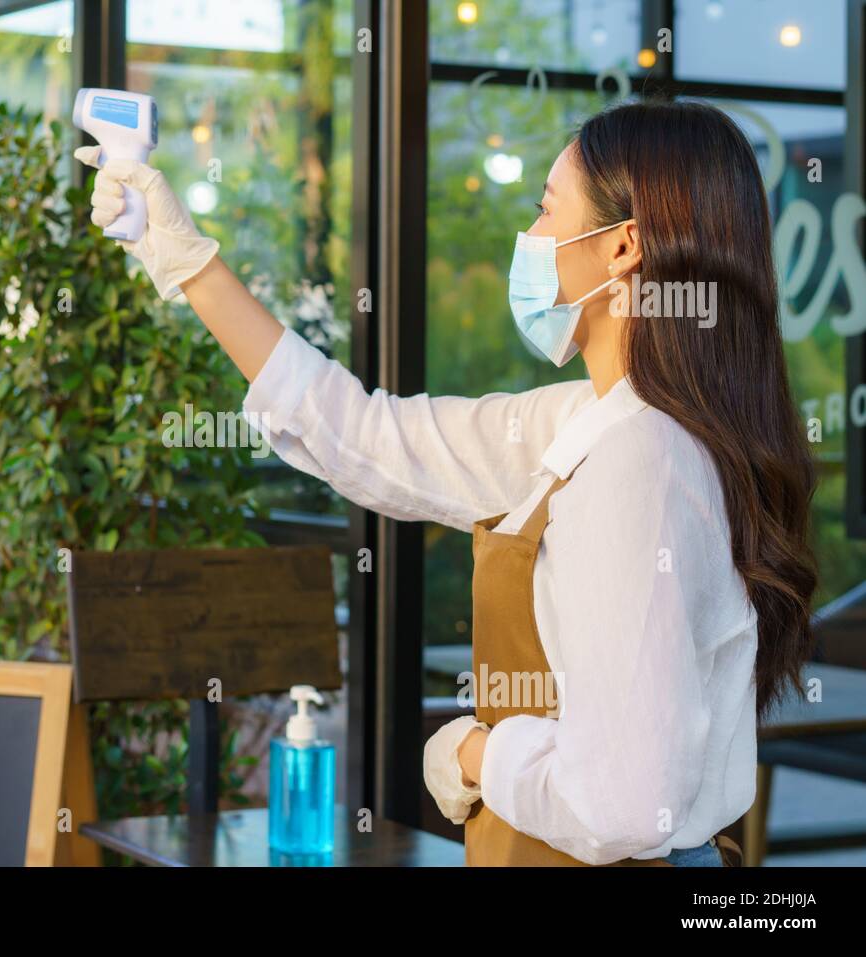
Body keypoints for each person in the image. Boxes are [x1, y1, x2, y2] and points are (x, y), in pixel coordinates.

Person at [74, 98, 818, 867]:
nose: (527, 240)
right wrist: (190, 262)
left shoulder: (641, 462)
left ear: (624, 247)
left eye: (544, 211)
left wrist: (476, 751)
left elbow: (625, 802)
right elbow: (363, 433)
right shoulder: (597, 424)